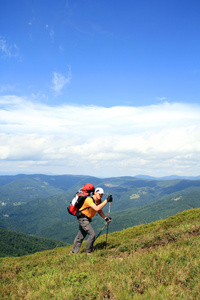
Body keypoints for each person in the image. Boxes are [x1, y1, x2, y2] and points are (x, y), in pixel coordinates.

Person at [71, 187, 113, 254]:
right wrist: (106, 200)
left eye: (102, 194)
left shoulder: (99, 200)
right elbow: (96, 208)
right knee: (92, 235)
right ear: (95, 193)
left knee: (81, 236)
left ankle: (73, 252)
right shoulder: (89, 199)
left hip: (86, 219)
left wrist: (106, 218)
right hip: (82, 218)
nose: (101, 195)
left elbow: (99, 210)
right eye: (100, 194)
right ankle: (88, 251)